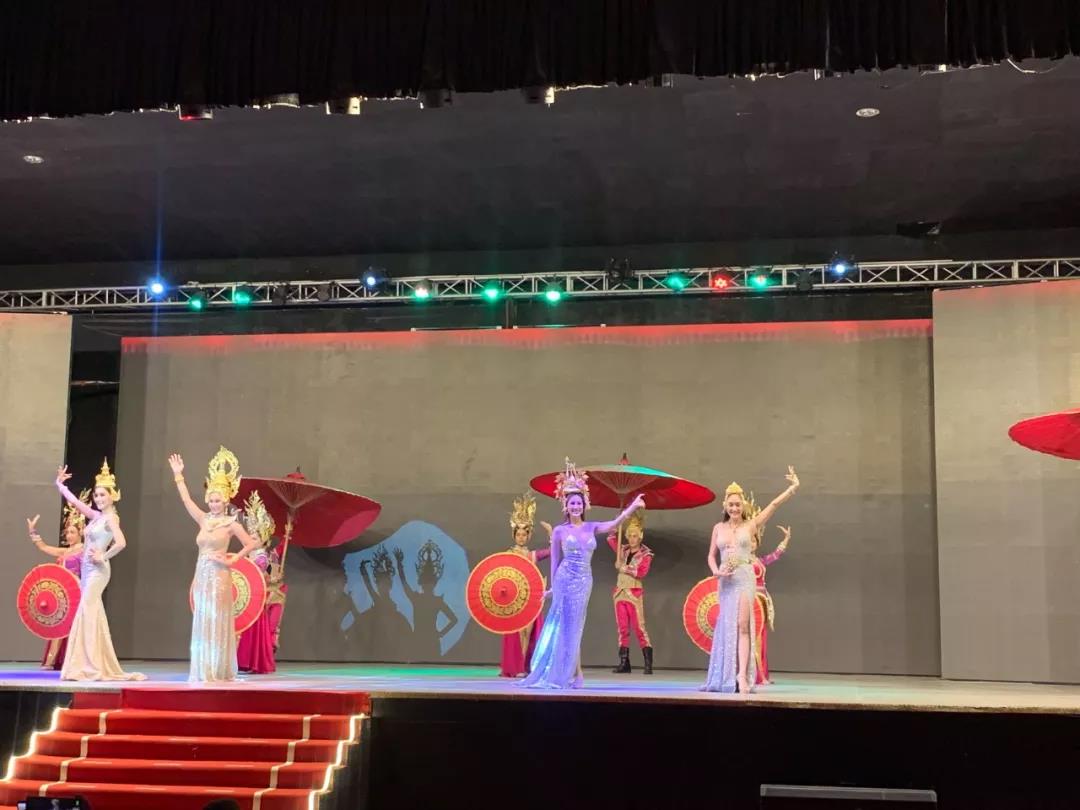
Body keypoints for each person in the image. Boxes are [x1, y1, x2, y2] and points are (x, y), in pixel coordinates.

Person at [522, 459, 644, 689]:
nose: (576, 506)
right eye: (572, 503)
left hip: (584, 581)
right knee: (566, 627)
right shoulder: (559, 531)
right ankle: (575, 674)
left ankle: (574, 673)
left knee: (576, 626)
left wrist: (632, 506)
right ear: (566, 506)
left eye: (579, 503)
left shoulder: (592, 527)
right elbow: (555, 562)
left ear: (584, 504)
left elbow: (615, 523)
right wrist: (552, 588)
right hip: (564, 580)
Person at [701, 468, 799, 695]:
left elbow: (773, 505)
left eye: (738, 504)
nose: (734, 508)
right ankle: (722, 674)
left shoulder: (751, 525)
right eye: (731, 504)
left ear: (743, 505)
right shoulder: (718, 528)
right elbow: (711, 556)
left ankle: (742, 676)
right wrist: (716, 572)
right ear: (725, 506)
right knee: (726, 626)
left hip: (744, 578)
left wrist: (792, 488)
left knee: (743, 626)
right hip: (725, 582)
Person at [168, 447, 259, 683]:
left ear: (226, 500)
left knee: (217, 618)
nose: (214, 504)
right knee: (203, 618)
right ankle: (203, 668)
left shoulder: (231, 523)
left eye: (218, 500)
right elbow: (186, 500)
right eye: (211, 500)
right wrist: (178, 475)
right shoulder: (203, 519)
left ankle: (217, 668)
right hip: (202, 574)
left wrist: (232, 559)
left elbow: (252, 543)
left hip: (220, 576)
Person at [57, 460, 144, 681]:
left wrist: (103, 556)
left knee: (87, 608)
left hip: (98, 570)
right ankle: (87, 662)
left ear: (112, 496)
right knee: (91, 611)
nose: (98, 498)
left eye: (102, 495)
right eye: (96, 495)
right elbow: (77, 503)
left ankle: (92, 664)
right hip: (87, 570)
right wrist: (61, 486)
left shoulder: (111, 518)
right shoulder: (97, 517)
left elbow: (121, 542)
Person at [26, 491, 87, 669]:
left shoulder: (84, 550)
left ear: (80, 533)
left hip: (76, 593)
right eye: (67, 532)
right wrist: (32, 531)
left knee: (71, 628)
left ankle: (69, 662)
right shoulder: (65, 551)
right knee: (59, 627)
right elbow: (44, 547)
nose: (68, 536)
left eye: (72, 532)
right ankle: (53, 661)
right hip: (62, 595)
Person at [500, 493, 551, 677]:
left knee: (528, 632)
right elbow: (502, 575)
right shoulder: (508, 554)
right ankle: (518, 666)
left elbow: (552, 551)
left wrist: (551, 533)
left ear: (528, 536)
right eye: (518, 534)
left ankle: (524, 666)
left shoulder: (532, 555)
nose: (521, 537)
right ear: (514, 535)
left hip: (530, 598)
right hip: (515, 600)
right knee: (518, 632)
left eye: (524, 534)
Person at [606, 508, 654, 674]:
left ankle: (648, 663)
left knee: (639, 628)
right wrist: (619, 520)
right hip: (620, 592)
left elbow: (641, 572)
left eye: (635, 536)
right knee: (623, 629)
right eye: (630, 535)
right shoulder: (623, 550)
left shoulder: (646, 554)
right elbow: (610, 537)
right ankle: (624, 663)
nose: (632, 538)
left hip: (634, 593)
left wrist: (624, 568)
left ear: (640, 536)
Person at [236, 490, 279, 674]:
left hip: (256, 597)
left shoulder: (261, 557)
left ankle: (252, 661)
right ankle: (243, 661)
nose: (251, 540)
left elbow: (259, 575)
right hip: (247, 596)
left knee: (252, 628)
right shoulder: (250, 553)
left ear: (263, 540)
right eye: (250, 536)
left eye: (255, 538)